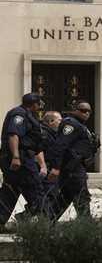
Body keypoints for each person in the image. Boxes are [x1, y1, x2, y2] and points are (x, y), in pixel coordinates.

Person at [0, 93, 49, 225]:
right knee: (36, 189)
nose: (40, 107)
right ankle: (26, 216)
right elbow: (13, 135)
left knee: (10, 191)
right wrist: (15, 157)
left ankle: (2, 220)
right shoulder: (19, 114)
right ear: (34, 104)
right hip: (20, 160)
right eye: (39, 104)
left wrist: (43, 165)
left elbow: (36, 144)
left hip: (25, 158)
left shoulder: (30, 117)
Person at [48, 101, 100, 219]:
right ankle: (86, 225)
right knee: (82, 197)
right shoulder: (71, 124)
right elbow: (60, 146)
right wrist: (56, 168)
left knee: (65, 198)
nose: (86, 113)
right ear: (74, 110)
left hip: (77, 167)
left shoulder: (81, 125)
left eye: (89, 111)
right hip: (73, 168)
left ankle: (45, 223)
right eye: (83, 110)